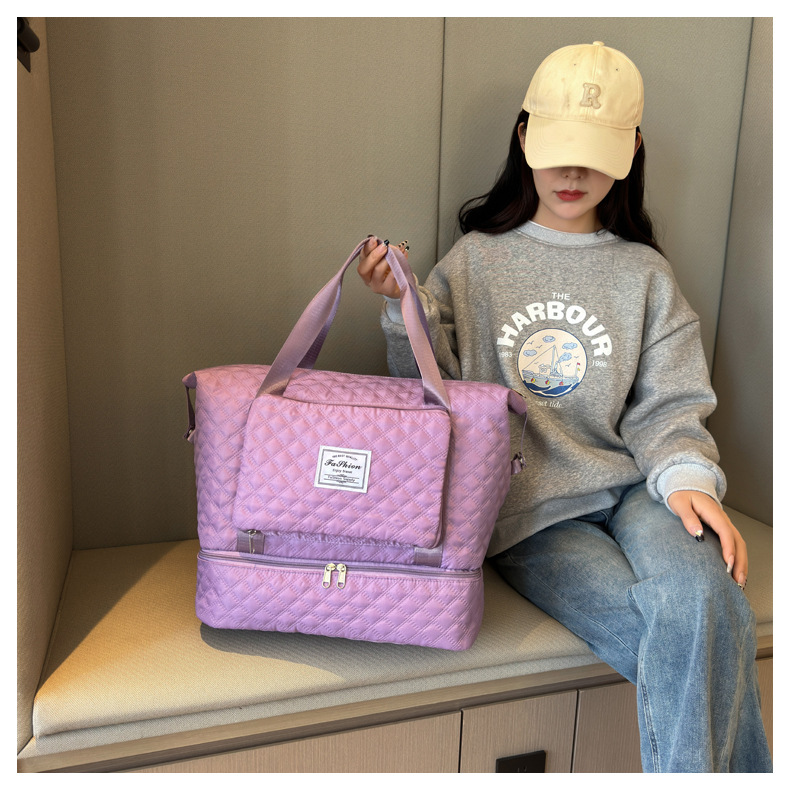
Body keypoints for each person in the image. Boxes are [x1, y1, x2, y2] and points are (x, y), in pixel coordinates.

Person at [357, 42, 772, 773]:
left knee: (703, 595)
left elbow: (670, 404)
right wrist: (403, 309)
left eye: (594, 155)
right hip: (532, 517)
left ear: (632, 151)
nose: (573, 174)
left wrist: (689, 481)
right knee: (698, 632)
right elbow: (436, 398)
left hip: (638, 491)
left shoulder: (646, 275)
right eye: (558, 152)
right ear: (524, 140)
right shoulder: (475, 261)